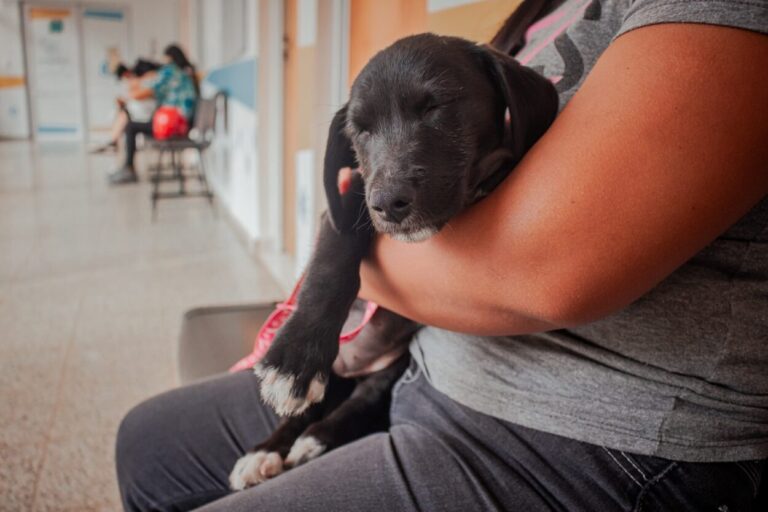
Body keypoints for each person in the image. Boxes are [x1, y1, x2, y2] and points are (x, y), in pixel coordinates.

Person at [115, 0, 768, 510]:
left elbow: (544, 273)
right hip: (431, 363)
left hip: (593, 432)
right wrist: (350, 260)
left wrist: (344, 255)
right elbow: (365, 203)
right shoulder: (532, 18)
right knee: (145, 444)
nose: (389, 175)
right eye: (365, 132)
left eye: (435, 110)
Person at [108, 44, 199, 185]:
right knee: (143, 119)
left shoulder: (169, 71)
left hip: (175, 124)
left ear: (169, 58)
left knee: (131, 127)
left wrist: (128, 95)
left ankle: (129, 169)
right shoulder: (184, 72)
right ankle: (127, 166)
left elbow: (144, 91)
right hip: (184, 122)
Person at [91, 59, 160, 154]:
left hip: (150, 114)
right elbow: (135, 96)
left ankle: (113, 142)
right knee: (123, 113)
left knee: (125, 116)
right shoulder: (143, 81)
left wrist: (130, 94)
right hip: (144, 111)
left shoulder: (149, 80)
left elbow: (137, 95)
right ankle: (112, 141)